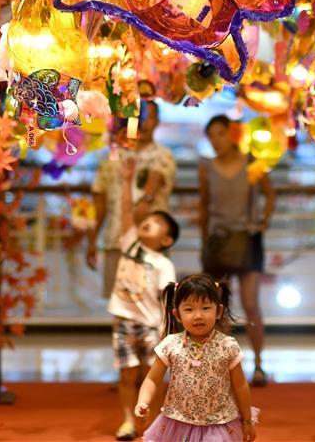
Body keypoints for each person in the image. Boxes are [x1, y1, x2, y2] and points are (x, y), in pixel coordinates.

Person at [199, 115, 275, 387]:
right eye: (211, 136)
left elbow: (270, 193)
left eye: (220, 134)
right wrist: (204, 241)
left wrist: (263, 221)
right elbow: (204, 206)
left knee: (250, 303)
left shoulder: (251, 161)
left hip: (248, 239)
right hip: (218, 240)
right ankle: (223, 367)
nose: (216, 141)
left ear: (232, 134)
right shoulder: (206, 167)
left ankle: (259, 364)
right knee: (219, 306)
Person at [135, 275, 257, 442]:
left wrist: (247, 420)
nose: (198, 315)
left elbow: (240, 385)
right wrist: (142, 403)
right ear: (177, 314)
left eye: (205, 308)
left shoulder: (227, 346)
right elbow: (152, 379)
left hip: (218, 423)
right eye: (189, 309)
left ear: (218, 311)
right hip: (177, 421)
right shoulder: (170, 344)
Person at [108, 157, 180, 441]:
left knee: (153, 376)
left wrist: (166, 329)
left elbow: (168, 301)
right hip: (124, 321)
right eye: (149, 219)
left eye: (158, 223)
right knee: (127, 375)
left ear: (167, 240)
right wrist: (127, 180)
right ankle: (127, 421)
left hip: (151, 326)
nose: (149, 222)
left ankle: (154, 422)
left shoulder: (164, 264)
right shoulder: (130, 243)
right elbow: (127, 210)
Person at [88, 100, 176, 299]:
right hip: (115, 239)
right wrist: (92, 239)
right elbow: (100, 202)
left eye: (148, 117)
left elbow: (154, 183)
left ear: (157, 121)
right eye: (138, 117)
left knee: (153, 301)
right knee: (118, 303)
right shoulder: (112, 156)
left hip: (152, 244)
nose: (143, 123)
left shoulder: (163, 155)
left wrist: (146, 199)